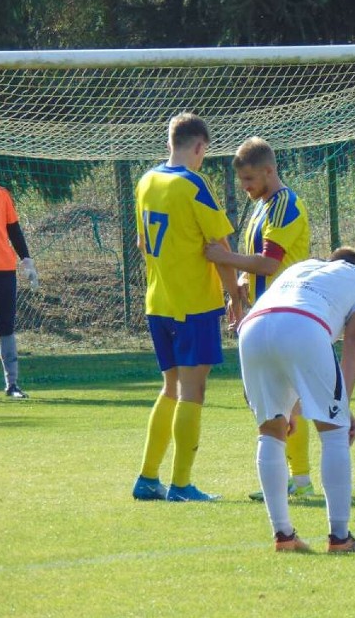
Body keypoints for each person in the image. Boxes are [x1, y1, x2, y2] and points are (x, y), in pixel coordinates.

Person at [131, 112, 243, 503]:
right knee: (193, 391)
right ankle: (180, 484)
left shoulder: (146, 181)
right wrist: (236, 298)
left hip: (157, 301)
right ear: (199, 147)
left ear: (169, 143)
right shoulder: (194, 184)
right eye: (203, 153)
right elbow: (221, 249)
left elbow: (144, 244)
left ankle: (147, 478)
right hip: (193, 304)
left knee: (171, 388)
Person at [238, 247, 355, 552]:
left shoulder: (301, 268)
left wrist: (287, 408)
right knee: (334, 433)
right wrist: (342, 410)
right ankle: (340, 538)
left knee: (270, 432)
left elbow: (279, 325)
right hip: (302, 325)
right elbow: (352, 344)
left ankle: (283, 536)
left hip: (251, 328)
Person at [204, 137, 314, 501]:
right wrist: (239, 285)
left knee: (284, 400)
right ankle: (295, 479)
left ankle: (298, 480)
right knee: (270, 399)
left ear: (270, 170)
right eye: (242, 181)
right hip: (265, 313)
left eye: (250, 179)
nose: (246, 187)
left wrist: (222, 255)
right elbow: (259, 266)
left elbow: (269, 263)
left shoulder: (284, 204)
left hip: (286, 313)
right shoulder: (263, 206)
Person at [0, 147, 38, 401]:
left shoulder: (1, 195)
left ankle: (12, 384)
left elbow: (14, 230)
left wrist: (27, 261)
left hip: (3, 270)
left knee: (6, 326)